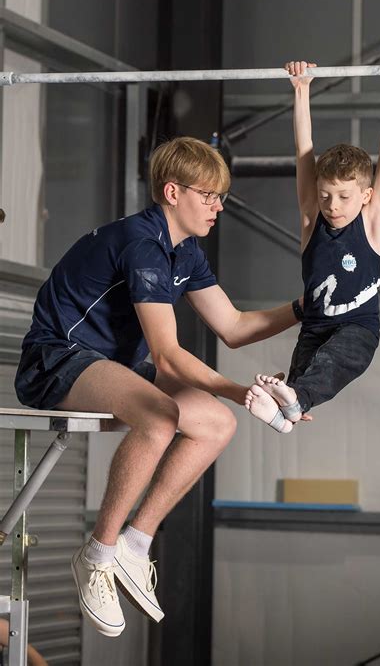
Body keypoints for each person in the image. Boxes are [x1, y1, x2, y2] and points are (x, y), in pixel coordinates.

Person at [14, 136, 303, 637]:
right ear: (172, 192)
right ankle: (97, 553)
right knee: (161, 417)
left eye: (221, 196)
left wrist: (304, 308)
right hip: (55, 359)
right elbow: (168, 357)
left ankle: (135, 543)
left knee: (215, 423)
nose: (217, 206)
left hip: (112, 364)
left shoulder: (184, 251)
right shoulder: (142, 244)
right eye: (208, 195)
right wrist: (242, 390)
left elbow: (233, 327)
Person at [245, 58, 380, 433]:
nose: (332, 205)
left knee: (328, 365)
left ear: (367, 195)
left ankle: (293, 400)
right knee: (301, 378)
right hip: (315, 327)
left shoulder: (372, 220)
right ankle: (287, 414)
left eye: (343, 196)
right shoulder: (311, 218)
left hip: (358, 329)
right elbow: (303, 150)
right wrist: (301, 89)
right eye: (324, 195)